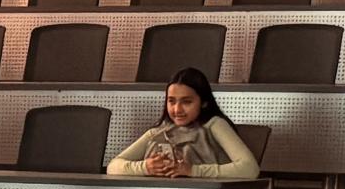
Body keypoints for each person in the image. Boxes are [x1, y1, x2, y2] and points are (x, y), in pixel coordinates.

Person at [106, 68, 260, 180]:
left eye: (186, 102)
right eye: (171, 101)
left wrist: (193, 171)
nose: (177, 109)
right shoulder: (158, 132)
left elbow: (249, 168)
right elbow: (113, 166)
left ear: (204, 102)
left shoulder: (215, 125)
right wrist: (145, 167)